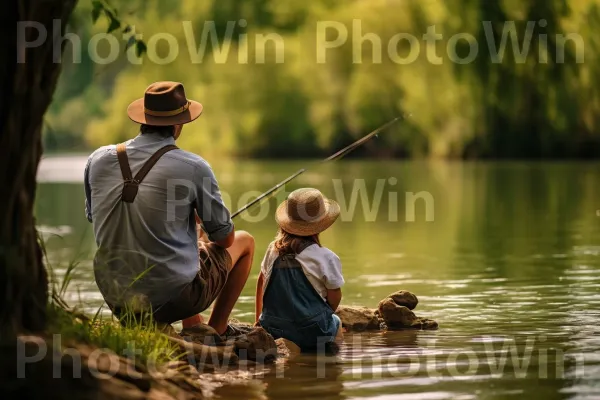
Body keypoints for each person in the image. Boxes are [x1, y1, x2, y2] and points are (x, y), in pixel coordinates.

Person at [84, 81, 254, 337]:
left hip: (116, 296)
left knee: (189, 239)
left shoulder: (97, 159)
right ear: (179, 124)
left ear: (144, 119)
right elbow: (224, 238)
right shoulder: (194, 167)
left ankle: (189, 325)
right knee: (244, 241)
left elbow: (96, 217)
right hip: (173, 300)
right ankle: (215, 329)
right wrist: (198, 221)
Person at [255, 188, 344, 351]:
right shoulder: (326, 257)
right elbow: (335, 296)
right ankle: (332, 363)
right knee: (336, 321)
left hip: (273, 329)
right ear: (320, 225)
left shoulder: (272, 250)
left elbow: (261, 282)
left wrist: (259, 321)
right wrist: (323, 314)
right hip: (313, 332)